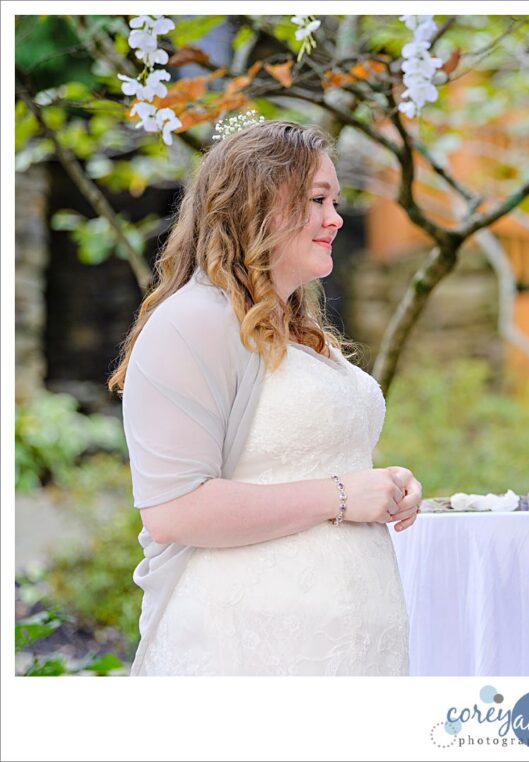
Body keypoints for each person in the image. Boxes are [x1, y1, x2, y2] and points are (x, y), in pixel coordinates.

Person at [108, 119, 421, 675]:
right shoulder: (191, 323)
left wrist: (387, 484)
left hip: (353, 647)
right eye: (318, 199)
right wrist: (341, 495)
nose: (336, 218)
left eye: (335, 201)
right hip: (247, 644)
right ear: (257, 203)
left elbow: (313, 463)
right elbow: (172, 511)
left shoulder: (303, 332)